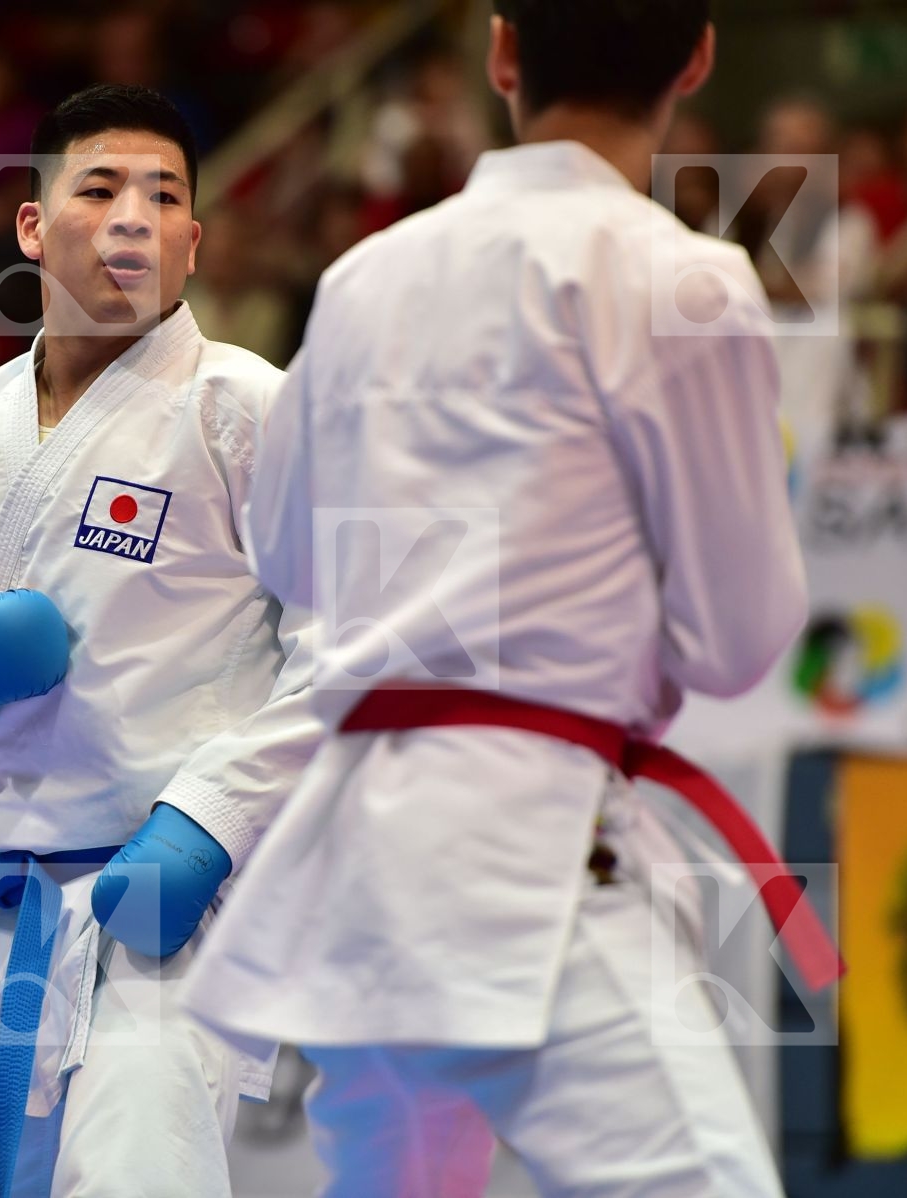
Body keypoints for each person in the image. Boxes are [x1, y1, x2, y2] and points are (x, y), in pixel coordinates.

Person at [182, 3, 839, 1195]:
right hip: (525, 851)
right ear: (698, 57)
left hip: (354, 863)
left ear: (500, 52)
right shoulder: (685, 277)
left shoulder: (362, 277)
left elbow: (283, 555)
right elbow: (739, 636)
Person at [0, 84, 324, 1197]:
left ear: (194, 242)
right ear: (30, 223)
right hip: (2, 910)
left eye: (164, 198)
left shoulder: (249, 410)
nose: (132, 218)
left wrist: (214, 816)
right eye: (100, 187)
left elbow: (353, 647)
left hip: (170, 913)